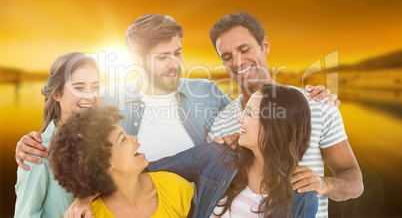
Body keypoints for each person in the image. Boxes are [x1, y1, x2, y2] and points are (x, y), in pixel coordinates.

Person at [15, 14, 333, 166]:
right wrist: (31, 142)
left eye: (178, 52)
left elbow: (258, 116)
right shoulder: (107, 99)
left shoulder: (208, 93)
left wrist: (310, 98)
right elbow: (67, 134)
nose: (175, 64)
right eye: (163, 57)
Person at [208, 12, 364, 217]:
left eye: (244, 49)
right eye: (226, 57)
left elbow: (354, 181)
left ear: (265, 45)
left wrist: (324, 184)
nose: (237, 62)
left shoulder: (317, 106)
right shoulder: (221, 125)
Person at [148, 84, 318, 217]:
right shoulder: (215, 156)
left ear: (275, 126)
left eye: (249, 113)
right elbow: (147, 173)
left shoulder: (303, 198)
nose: (239, 118)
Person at [48, 105, 194, 218]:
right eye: (123, 139)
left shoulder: (175, 187)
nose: (134, 138)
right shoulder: (92, 214)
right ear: (104, 164)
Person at [14, 52, 100, 218]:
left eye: (95, 87)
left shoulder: (104, 142)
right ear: (57, 94)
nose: (90, 95)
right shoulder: (37, 151)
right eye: (79, 88)